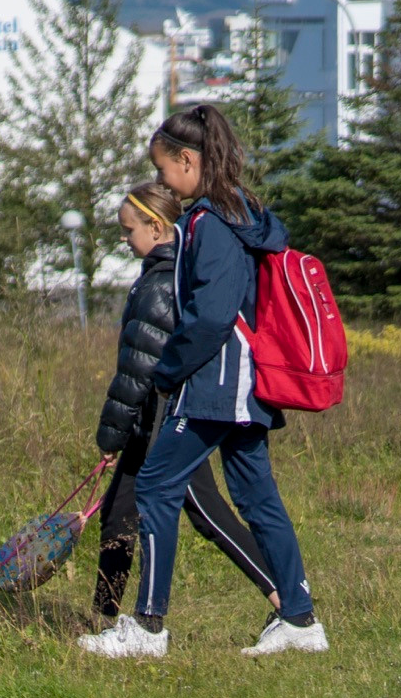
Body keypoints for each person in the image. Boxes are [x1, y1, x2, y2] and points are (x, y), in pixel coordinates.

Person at [79, 102, 327, 662]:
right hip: (248, 385)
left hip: (217, 385)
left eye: (164, 169)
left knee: (156, 486)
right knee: (258, 497)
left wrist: (168, 373)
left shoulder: (211, 223)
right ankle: (299, 620)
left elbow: (212, 316)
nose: (164, 180)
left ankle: (147, 628)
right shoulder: (243, 213)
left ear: (189, 160)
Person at [88, 180, 279, 629]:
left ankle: (288, 601)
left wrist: (109, 436)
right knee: (118, 516)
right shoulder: (159, 276)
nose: (123, 237)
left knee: (209, 516)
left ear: (156, 227)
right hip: (145, 424)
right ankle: (104, 621)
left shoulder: (159, 285)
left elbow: (137, 372)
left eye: (127, 229)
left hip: (167, 423)